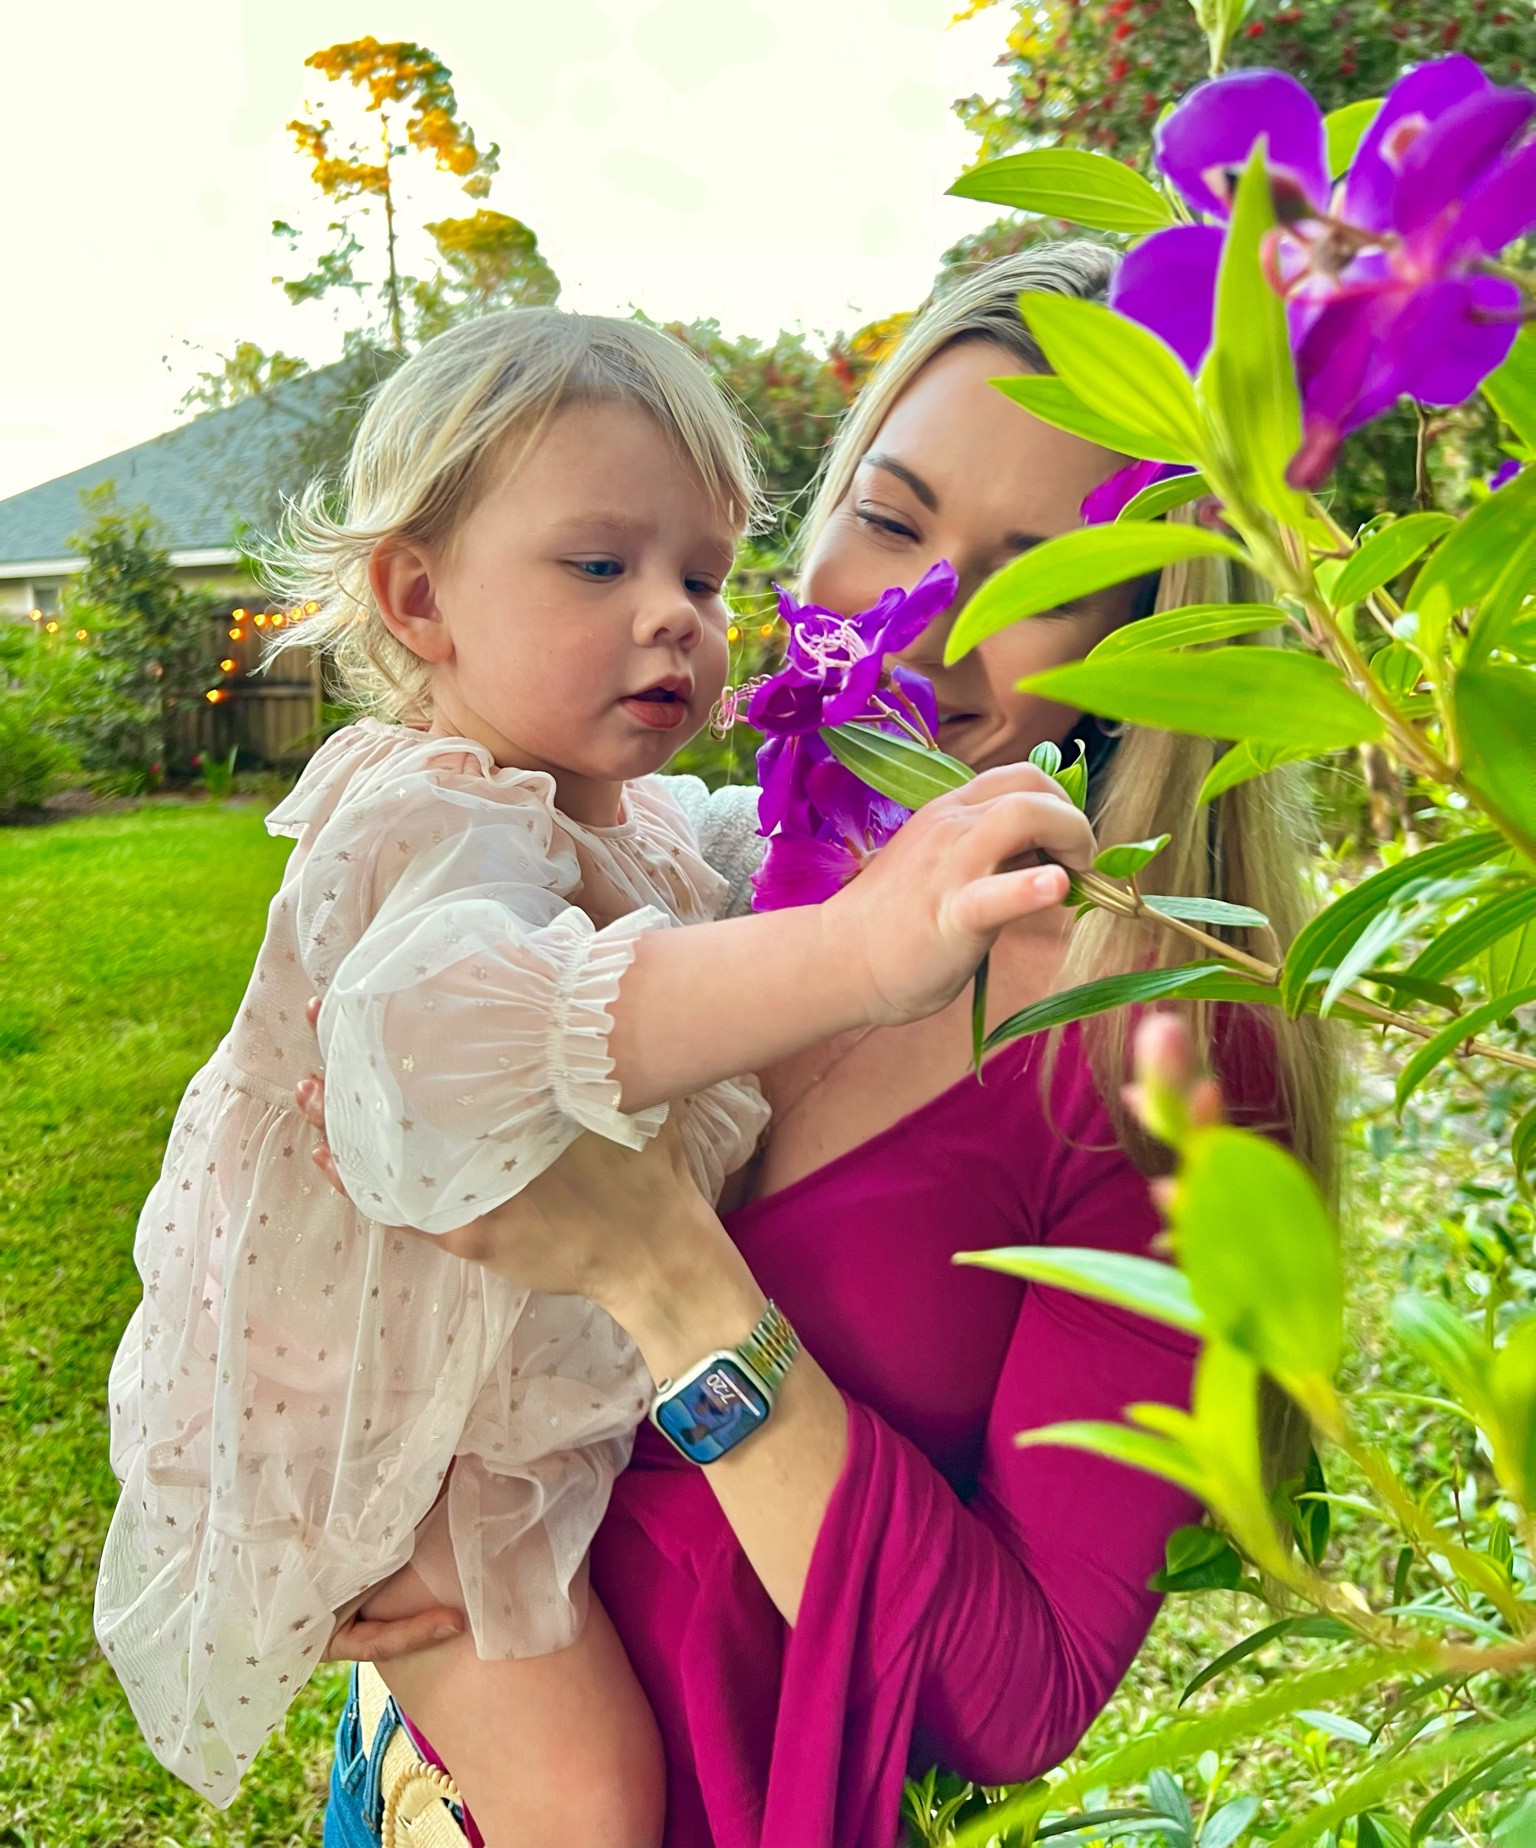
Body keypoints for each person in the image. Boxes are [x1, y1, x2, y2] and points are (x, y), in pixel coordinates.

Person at [313, 243, 1334, 1848]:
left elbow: (1021, 1692)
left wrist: (673, 1283)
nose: (932, 626)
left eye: (1043, 578)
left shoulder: (1156, 1059)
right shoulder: (713, 858)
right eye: (895, 518)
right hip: (426, 1760)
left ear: (1156, 631)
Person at [93, 308, 1099, 1844]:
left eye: (700, 575)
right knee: (596, 1806)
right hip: (403, 1471)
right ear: (418, 596)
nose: (675, 617)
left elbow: (709, 863)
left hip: (492, 1428)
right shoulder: (422, 822)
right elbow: (448, 1034)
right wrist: (863, 953)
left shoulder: (621, 817)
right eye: (600, 567)